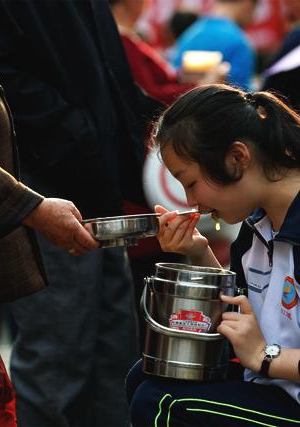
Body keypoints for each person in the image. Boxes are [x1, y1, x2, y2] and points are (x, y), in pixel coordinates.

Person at [0, 1, 162, 425]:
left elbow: (105, 72)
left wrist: (146, 128)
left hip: (98, 185)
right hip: (42, 184)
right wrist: (77, 138)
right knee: (58, 361)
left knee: (114, 357)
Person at [127, 84, 300, 425]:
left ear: (237, 158)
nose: (191, 203)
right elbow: (239, 313)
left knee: (162, 404)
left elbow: (257, 349)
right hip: (276, 384)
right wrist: (198, 252)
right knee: (145, 375)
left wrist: (265, 357)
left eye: (190, 182)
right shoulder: (257, 227)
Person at [172, 0, 257, 90]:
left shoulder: (188, 36)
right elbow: (243, 98)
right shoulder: (240, 44)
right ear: (247, 4)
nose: (253, 18)